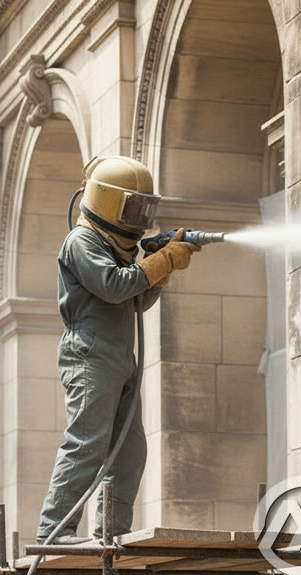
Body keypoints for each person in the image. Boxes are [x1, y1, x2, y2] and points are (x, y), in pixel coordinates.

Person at [36, 156, 199, 544]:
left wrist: (161, 269)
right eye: (133, 208)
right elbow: (113, 286)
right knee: (87, 443)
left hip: (121, 358)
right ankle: (54, 531)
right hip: (90, 356)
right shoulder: (82, 242)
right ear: (109, 202)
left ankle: (111, 531)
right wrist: (161, 261)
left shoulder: (115, 250)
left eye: (145, 208)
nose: (139, 218)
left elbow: (136, 300)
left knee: (130, 451)